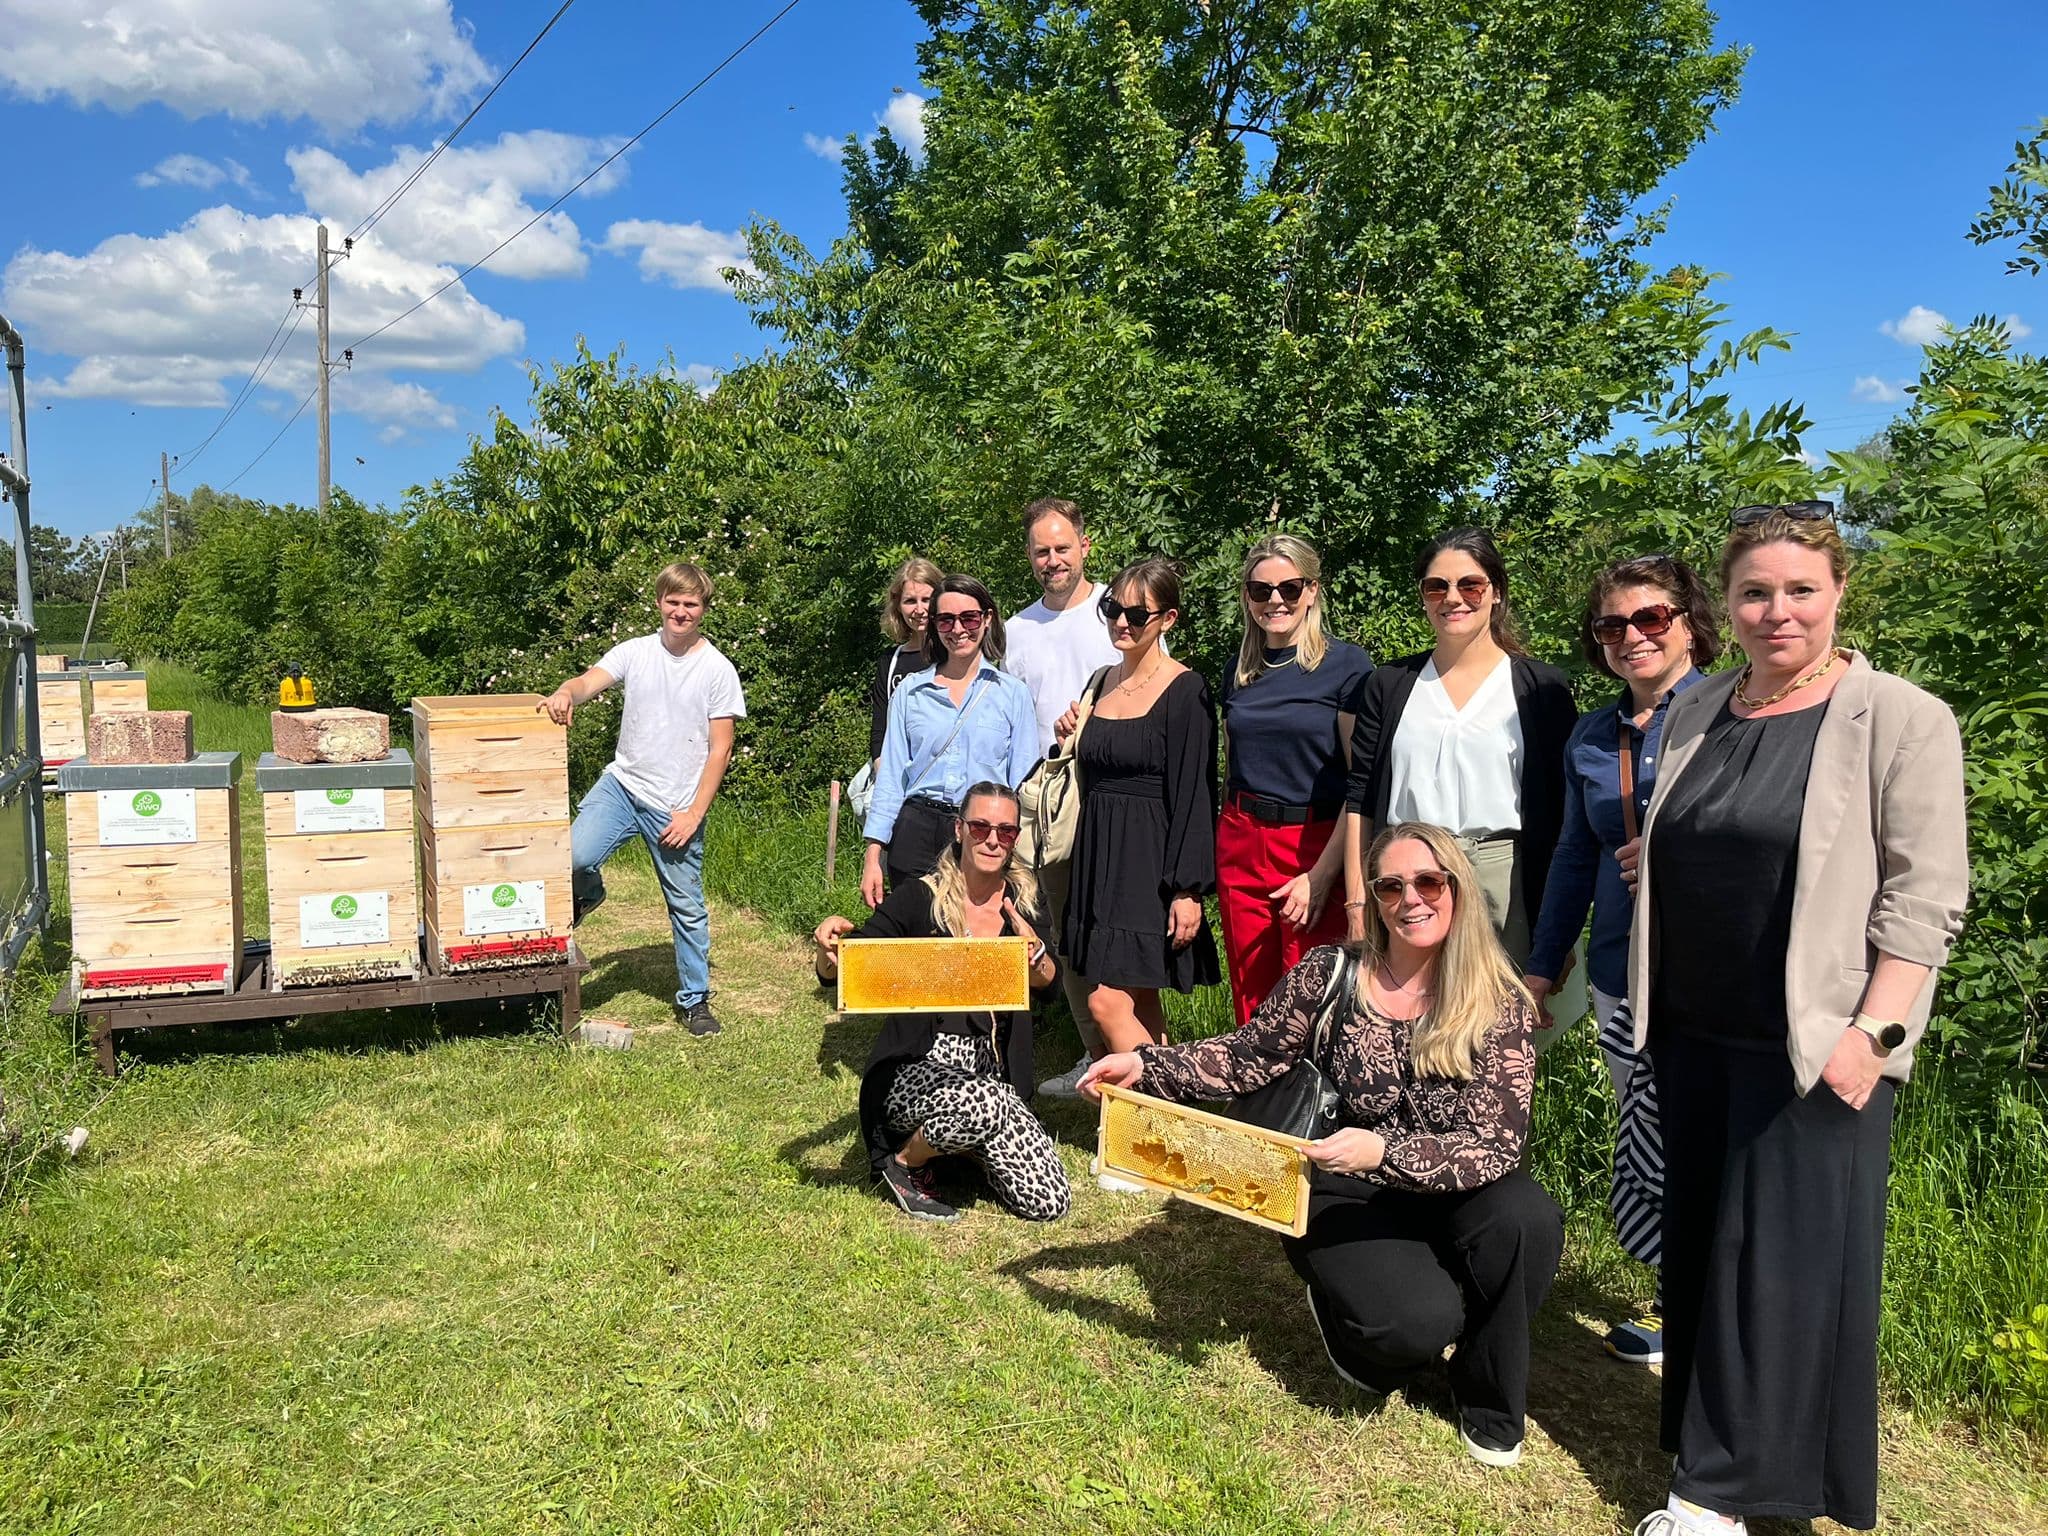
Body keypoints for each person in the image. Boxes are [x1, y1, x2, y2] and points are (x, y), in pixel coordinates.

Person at [1625, 504, 1968, 1536]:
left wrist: (1875, 1034)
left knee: (1774, 1270)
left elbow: (1924, 896)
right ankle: (1718, 1448)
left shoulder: (1899, 717)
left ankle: (1717, 1500)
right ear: (1723, 607)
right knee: (1701, 1253)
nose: (1777, 612)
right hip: (1690, 1031)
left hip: (1816, 1043)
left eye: (1798, 590)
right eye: (1754, 592)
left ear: (1837, 593)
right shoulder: (1698, 711)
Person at [1081, 823, 1561, 1469]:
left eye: (1428, 881)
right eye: (1391, 885)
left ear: (1457, 887)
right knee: (1412, 1328)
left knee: (1527, 1217)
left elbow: (1495, 1144)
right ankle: (1353, 1321)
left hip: (1450, 1179)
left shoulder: (1499, 998)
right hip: (1343, 1181)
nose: (1410, 898)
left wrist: (1386, 1153)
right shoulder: (1333, 973)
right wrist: (1145, 1065)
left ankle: (1486, 1388)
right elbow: (1249, 1057)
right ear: (1376, 897)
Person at [1522, 553, 1718, 1367]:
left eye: (1651, 619)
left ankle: (1723, 1317)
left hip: (1712, 975)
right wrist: (1542, 964)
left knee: (1711, 1138)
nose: (1632, 636)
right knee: (1650, 1131)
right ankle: (1681, 1306)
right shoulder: (1596, 735)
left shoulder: (1734, 714)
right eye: (1613, 625)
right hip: (1617, 970)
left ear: (1690, 624)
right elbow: (1574, 855)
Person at [815, 782, 1070, 1224]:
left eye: (1006, 832)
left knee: (1049, 1202)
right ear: (959, 829)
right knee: (984, 1102)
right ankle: (906, 1162)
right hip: (916, 1067)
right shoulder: (921, 897)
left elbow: (1051, 987)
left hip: (993, 1073)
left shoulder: (1024, 903)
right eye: (980, 827)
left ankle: (963, 1149)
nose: (992, 840)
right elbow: (854, 963)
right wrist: (830, 950)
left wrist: (1037, 957)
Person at [1341, 527, 1576, 971]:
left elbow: (1565, 814)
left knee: (1502, 1029)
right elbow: (1361, 799)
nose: (1453, 598)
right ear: (1423, 597)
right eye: (1437, 586)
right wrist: (1358, 903)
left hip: (1504, 882)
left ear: (1496, 593)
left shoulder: (1541, 688)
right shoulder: (1388, 686)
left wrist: (1556, 926)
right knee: (1409, 1023)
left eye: (1470, 584)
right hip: (1408, 880)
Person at [543, 561, 746, 1036]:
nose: (680, 611)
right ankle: (588, 894)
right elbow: (588, 681)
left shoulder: (717, 669)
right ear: (659, 603)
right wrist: (565, 693)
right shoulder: (635, 651)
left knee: (686, 906)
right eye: (672, 601)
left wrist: (694, 813)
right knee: (571, 858)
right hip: (622, 785)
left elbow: (722, 748)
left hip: (675, 806)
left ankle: (695, 1001)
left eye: (690, 604)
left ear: (703, 610)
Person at [1055, 557, 1220, 1053]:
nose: (1121, 622)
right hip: (1097, 857)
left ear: (1167, 619)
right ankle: (1157, 1116)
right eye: (1112, 609)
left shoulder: (1185, 690)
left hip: (1148, 867)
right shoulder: (1101, 681)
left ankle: (1158, 1115)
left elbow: (1195, 794)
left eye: (1136, 614)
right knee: (1140, 1004)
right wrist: (1070, 734)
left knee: (1106, 1002)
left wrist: (1188, 889)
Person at [1217, 533, 1374, 1025]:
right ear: (1247, 596)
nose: (1275, 600)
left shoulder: (1347, 666)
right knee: (1252, 989)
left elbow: (1360, 783)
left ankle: (1316, 1101)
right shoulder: (1238, 672)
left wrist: (1325, 875)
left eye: (1289, 587)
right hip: (1241, 839)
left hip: (1313, 842)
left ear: (1311, 591)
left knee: (1313, 989)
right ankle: (1256, 1096)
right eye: (1261, 590)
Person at [1003, 497, 1125, 1097]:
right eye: (1040, 551)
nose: (1052, 560)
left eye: (1061, 547)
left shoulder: (1117, 611)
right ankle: (1089, 1054)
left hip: (1113, 795)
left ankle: (1140, 1051)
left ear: (1085, 546)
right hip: (1047, 801)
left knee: (1118, 929)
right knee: (1066, 932)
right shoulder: (1018, 629)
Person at [862, 574, 1038, 908]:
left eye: (969, 618)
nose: (958, 629)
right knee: (915, 945)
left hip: (982, 834)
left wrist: (1018, 854)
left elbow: (1022, 785)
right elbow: (891, 780)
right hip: (916, 830)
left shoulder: (1012, 694)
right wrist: (873, 855)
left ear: (986, 619)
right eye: (945, 620)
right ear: (935, 626)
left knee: (971, 945)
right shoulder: (910, 693)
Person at [866, 556, 943, 772]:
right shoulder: (890, 662)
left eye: (926, 599)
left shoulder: (955, 655)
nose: (919, 610)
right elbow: (880, 730)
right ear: (898, 606)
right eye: (910, 601)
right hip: (900, 781)